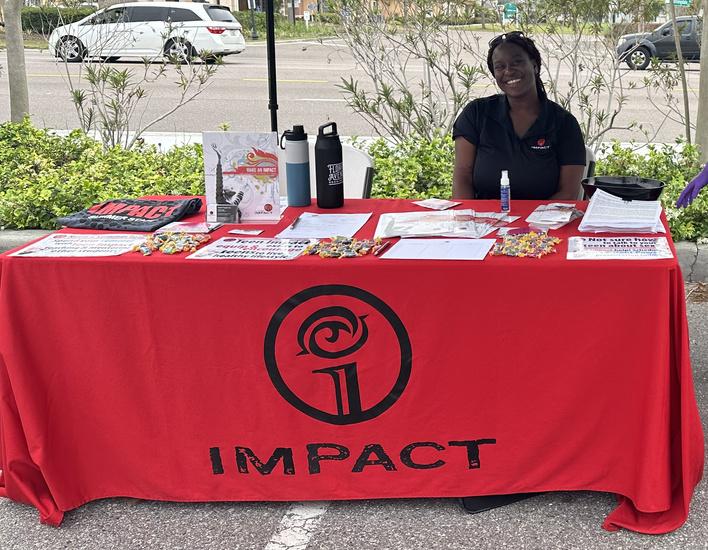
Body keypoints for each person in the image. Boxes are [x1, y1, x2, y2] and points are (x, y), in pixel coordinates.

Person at [452, 31, 586, 201]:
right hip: (484, 217)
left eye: (517, 62)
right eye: (500, 66)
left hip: (544, 217)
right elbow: (462, 176)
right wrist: (468, 215)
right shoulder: (476, 113)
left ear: (535, 66)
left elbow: (568, 193)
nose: (508, 71)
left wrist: (531, 218)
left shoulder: (565, 123)